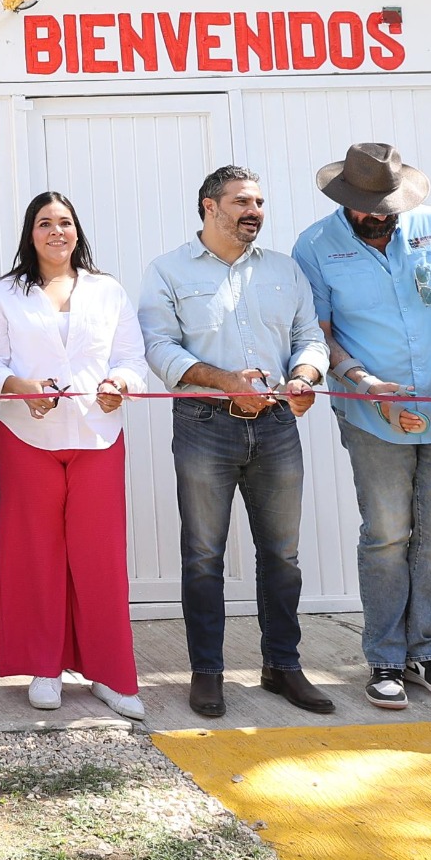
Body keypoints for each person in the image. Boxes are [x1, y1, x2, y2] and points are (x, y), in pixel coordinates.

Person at [291, 142, 431, 711]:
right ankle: (384, 658)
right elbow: (317, 332)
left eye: (389, 206)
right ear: (346, 201)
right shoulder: (313, 246)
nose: (381, 217)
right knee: (387, 535)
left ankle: (425, 650)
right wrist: (362, 383)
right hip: (371, 415)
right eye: (369, 208)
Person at [139, 166, 333, 720]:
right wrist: (224, 381)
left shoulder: (283, 270)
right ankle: (206, 673)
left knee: (283, 555)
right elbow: (158, 346)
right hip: (205, 426)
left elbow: (309, 338)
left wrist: (304, 377)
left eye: (260, 202)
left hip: (276, 426)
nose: (255, 211)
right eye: (242, 201)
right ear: (209, 206)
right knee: (203, 556)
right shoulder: (168, 270)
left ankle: (282, 666)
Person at [0, 191, 152, 721]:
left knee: (99, 557)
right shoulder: (5, 292)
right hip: (27, 438)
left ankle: (111, 674)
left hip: (97, 435)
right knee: (36, 553)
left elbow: (132, 359)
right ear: (29, 234)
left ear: (78, 230)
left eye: (65, 222)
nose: (57, 232)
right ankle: (45, 667)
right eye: (44, 223)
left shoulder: (108, 290)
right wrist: (19, 385)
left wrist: (119, 383)